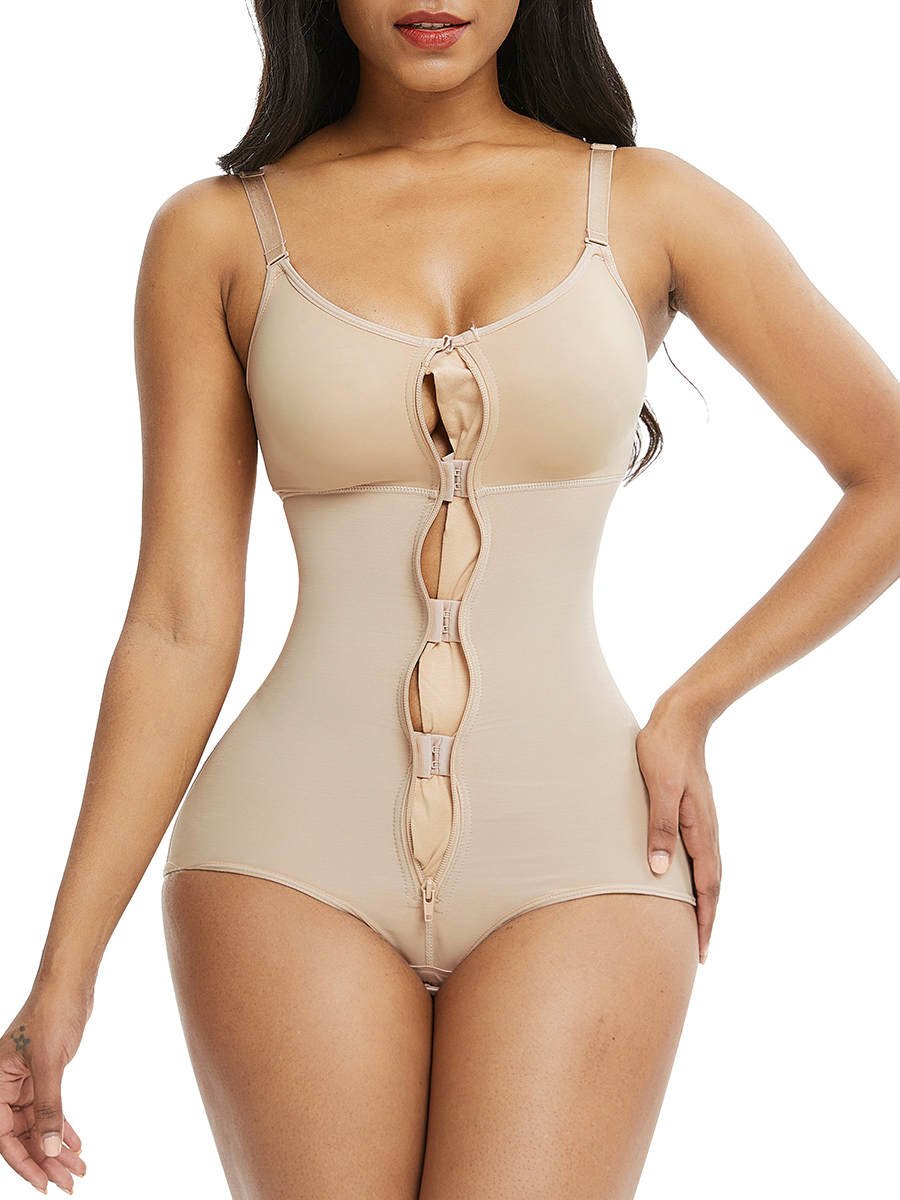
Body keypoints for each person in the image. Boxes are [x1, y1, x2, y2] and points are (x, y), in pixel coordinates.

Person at [3, 2, 899, 1197]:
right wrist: (63, 974)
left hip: (588, 851)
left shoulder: (649, 206)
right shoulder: (215, 233)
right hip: (281, 861)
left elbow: (887, 472)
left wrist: (695, 705)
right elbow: (177, 620)